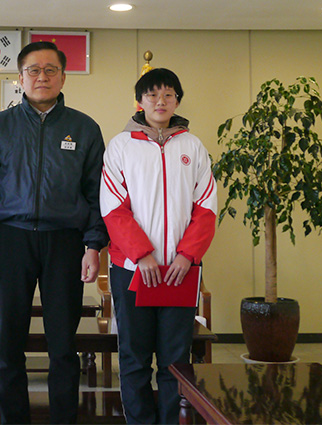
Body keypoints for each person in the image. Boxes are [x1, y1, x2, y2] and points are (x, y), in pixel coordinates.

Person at [0, 41, 108, 424]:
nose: (41, 77)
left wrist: (93, 244)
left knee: (63, 344)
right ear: (20, 77)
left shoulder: (84, 128)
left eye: (50, 70)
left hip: (66, 242)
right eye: (33, 70)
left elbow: (97, 193)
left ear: (63, 77)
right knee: (8, 343)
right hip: (10, 239)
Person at [99, 68, 217, 424]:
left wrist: (187, 255)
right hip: (133, 270)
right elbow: (112, 208)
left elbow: (207, 207)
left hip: (181, 271)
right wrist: (142, 254)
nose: (160, 101)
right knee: (134, 358)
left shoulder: (193, 147)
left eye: (168, 94)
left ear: (177, 101)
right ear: (140, 101)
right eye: (152, 94)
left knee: (175, 360)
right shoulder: (120, 146)